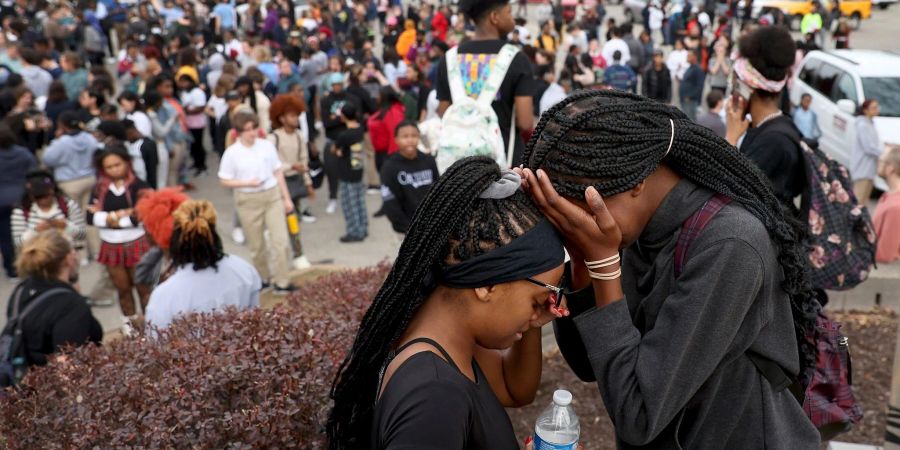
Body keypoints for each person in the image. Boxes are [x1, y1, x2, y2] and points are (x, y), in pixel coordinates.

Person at [520, 89, 821, 449]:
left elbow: (639, 415)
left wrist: (602, 263)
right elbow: (591, 365)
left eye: (577, 211)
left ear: (634, 181)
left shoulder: (730, 244)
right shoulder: (639, 226)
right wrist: (583, 261)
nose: (577, 225)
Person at [328, 156, 567, 448]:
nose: (539, 312)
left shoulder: (446, 335)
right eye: (537, 300)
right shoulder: (434, 396)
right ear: (487, 285)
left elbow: (513, 390)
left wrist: (530, 316)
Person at [436, 0, 535, 167]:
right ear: (494, 17)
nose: (512, 18)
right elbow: (525, 122)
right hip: (502, 163)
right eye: (509, 12)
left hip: (460, 167)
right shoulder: (517, 59)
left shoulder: (449, 58)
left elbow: (444, 111)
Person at [144, 200, 260, 330]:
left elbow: (156, 344)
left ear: (175, 241)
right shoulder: (243, 269)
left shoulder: (164, 296)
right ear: (214, 235)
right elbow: (255, 323)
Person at [217, 110, 296, 294]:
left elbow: (277, 171)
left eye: (254, 128)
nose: (252, 133)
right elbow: (224, 179)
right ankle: (264, 279)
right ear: (238, 132)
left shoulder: (266, 146)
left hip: (271, 195)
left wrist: (286, 198)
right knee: (257, 245)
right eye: (247, 130)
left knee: (280, 241)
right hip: (247, 200)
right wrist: (247, 182)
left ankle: (282, 282)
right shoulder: (232, 153)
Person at [726, 26, 806, 207]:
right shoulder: (767, 128)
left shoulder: (774, 142)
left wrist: (730, 140)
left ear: (747, 87)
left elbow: (731, 200)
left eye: (735, 83)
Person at [5, 230, 101, 372]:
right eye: (74, 250)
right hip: (53, 389)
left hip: (25, 381)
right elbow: (67, 368)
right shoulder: (70, 305)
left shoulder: (22, 290)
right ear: (68, 259)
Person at [86, 145, 152, 324]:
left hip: (136, 242)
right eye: (109, 167)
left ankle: (151, 325)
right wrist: (119, 215)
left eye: (118, 164)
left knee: (143, 289)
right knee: (122, 289)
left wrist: (107, 218)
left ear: (127, 163)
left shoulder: (139, 186)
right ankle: (129, 327)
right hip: (111, 245)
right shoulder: (99, 189)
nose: (114, 169)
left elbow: (140, 216)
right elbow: (90, 217)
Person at [267, 94, 314, 266]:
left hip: (296, 182)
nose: (296, 119)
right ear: (281, 117)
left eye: (297, 115)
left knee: (294, 219)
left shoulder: (299, 136)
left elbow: (304, 161)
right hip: (280, 184)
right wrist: (291, 166)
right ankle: (289, 254)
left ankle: (297, 253)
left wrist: (308, 183)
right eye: (292, 115)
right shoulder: (273, 138)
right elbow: (272, 164)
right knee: (282, 220)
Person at [42, 111, 100, 237]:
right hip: (89, 179)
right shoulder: (89, 138)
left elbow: (48, 159)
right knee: (90, 215)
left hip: (69, 183)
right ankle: (95, 250)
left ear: (62, 125)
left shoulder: (62, 142)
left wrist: (55, 140)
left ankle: (81, 252)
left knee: (75, 219)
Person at [379, 121, 439, 234]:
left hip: (432, 227)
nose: (410, 140)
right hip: (406, 230)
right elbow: (390, 204)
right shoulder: (389, 167)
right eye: (405, 136)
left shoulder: (429, 161)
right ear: (396, 139)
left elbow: (439, 192)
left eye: (414, 135)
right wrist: (410, 230)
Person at [11, 171, 86, 248]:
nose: (43, 200)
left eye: (45, 195)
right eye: (38, 197)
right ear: (31, 195)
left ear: (52, 190)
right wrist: (35, 231)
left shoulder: (68, 205)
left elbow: (82, 235)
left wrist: (66, 226)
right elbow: (18, 244)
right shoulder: (20, 212)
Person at [0, 124, 37, 278]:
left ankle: (12, 268)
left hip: (2, 201)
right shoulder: (23, 153)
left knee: (5, 237)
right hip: (22, 198)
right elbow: (34, 172)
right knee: (27, 232)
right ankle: (31, 264)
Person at [333, 103, 368, 243]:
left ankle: (354, 232)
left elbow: (336, 150)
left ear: (343, 116)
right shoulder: (360, 129)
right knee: (359, 201)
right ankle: (363, 227)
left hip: (346, 172)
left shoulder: (344, 135)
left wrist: (338, 151)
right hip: (358, 169)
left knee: (349, 204)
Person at [367, 86, 406, 173]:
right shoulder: (384, 111)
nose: (377, 97)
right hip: (381, 153)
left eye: (379, 95)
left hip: (388, 154)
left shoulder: (393, 112)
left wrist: (393, 157)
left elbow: (395, 134)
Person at [851, 99, 883, 203]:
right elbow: (868, 147)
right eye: (873, 108)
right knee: (858, 200)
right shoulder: (862, 125)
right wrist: (883, 153)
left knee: (863, 200)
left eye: (877, 107)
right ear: (865, 110)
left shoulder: (871, 124)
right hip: (862, 168)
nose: (876, 110)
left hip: (870, 168)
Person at [177, 74, 208, 176]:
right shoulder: (184, 92)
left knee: (198, 145)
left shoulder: (197, 92)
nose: (182, 84)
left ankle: (202, 166)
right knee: (193, 145)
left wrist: (187, 110)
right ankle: (196, 163)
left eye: (184, 82)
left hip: (198, 123)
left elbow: (201, 107)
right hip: (188, 123)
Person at [874, 145, 900, 263]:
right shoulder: (889, 195)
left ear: (891, 169)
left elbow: (884, 254)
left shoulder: (895, 207)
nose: (878, 162)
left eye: (882, 161)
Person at [123, 119, 160, 189]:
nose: (127, 138)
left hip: (145, 183)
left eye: (127, 135)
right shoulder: (126, 144)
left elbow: (152, 169)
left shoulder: (147, 144)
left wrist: (152, 187)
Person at [679, 51, 705, 122]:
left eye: (690, 56)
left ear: (695, 57)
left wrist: (690, 96)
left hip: (691, 101)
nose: (688, 57)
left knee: (690, 121)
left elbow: (700, 86)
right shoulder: (689, 68)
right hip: (685, 100)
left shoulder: (698, 69)